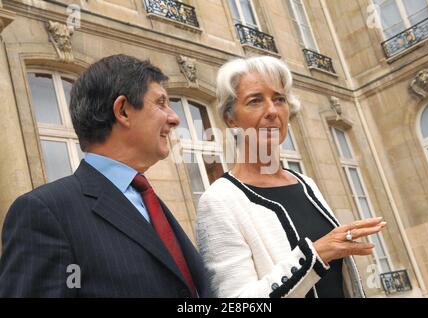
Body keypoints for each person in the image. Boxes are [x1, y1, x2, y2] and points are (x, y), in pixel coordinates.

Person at [0, 54, 210, 297]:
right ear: (123, 111)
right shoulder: (44, 213)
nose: (174, 118)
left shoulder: (145, 198)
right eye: (161, 103)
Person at [196, 56, 386, 298]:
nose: (272, 111)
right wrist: (315, 255)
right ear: (231, 119)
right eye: (255, 101)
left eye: (279, 99)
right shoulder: (219, 200)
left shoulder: (306, 184)